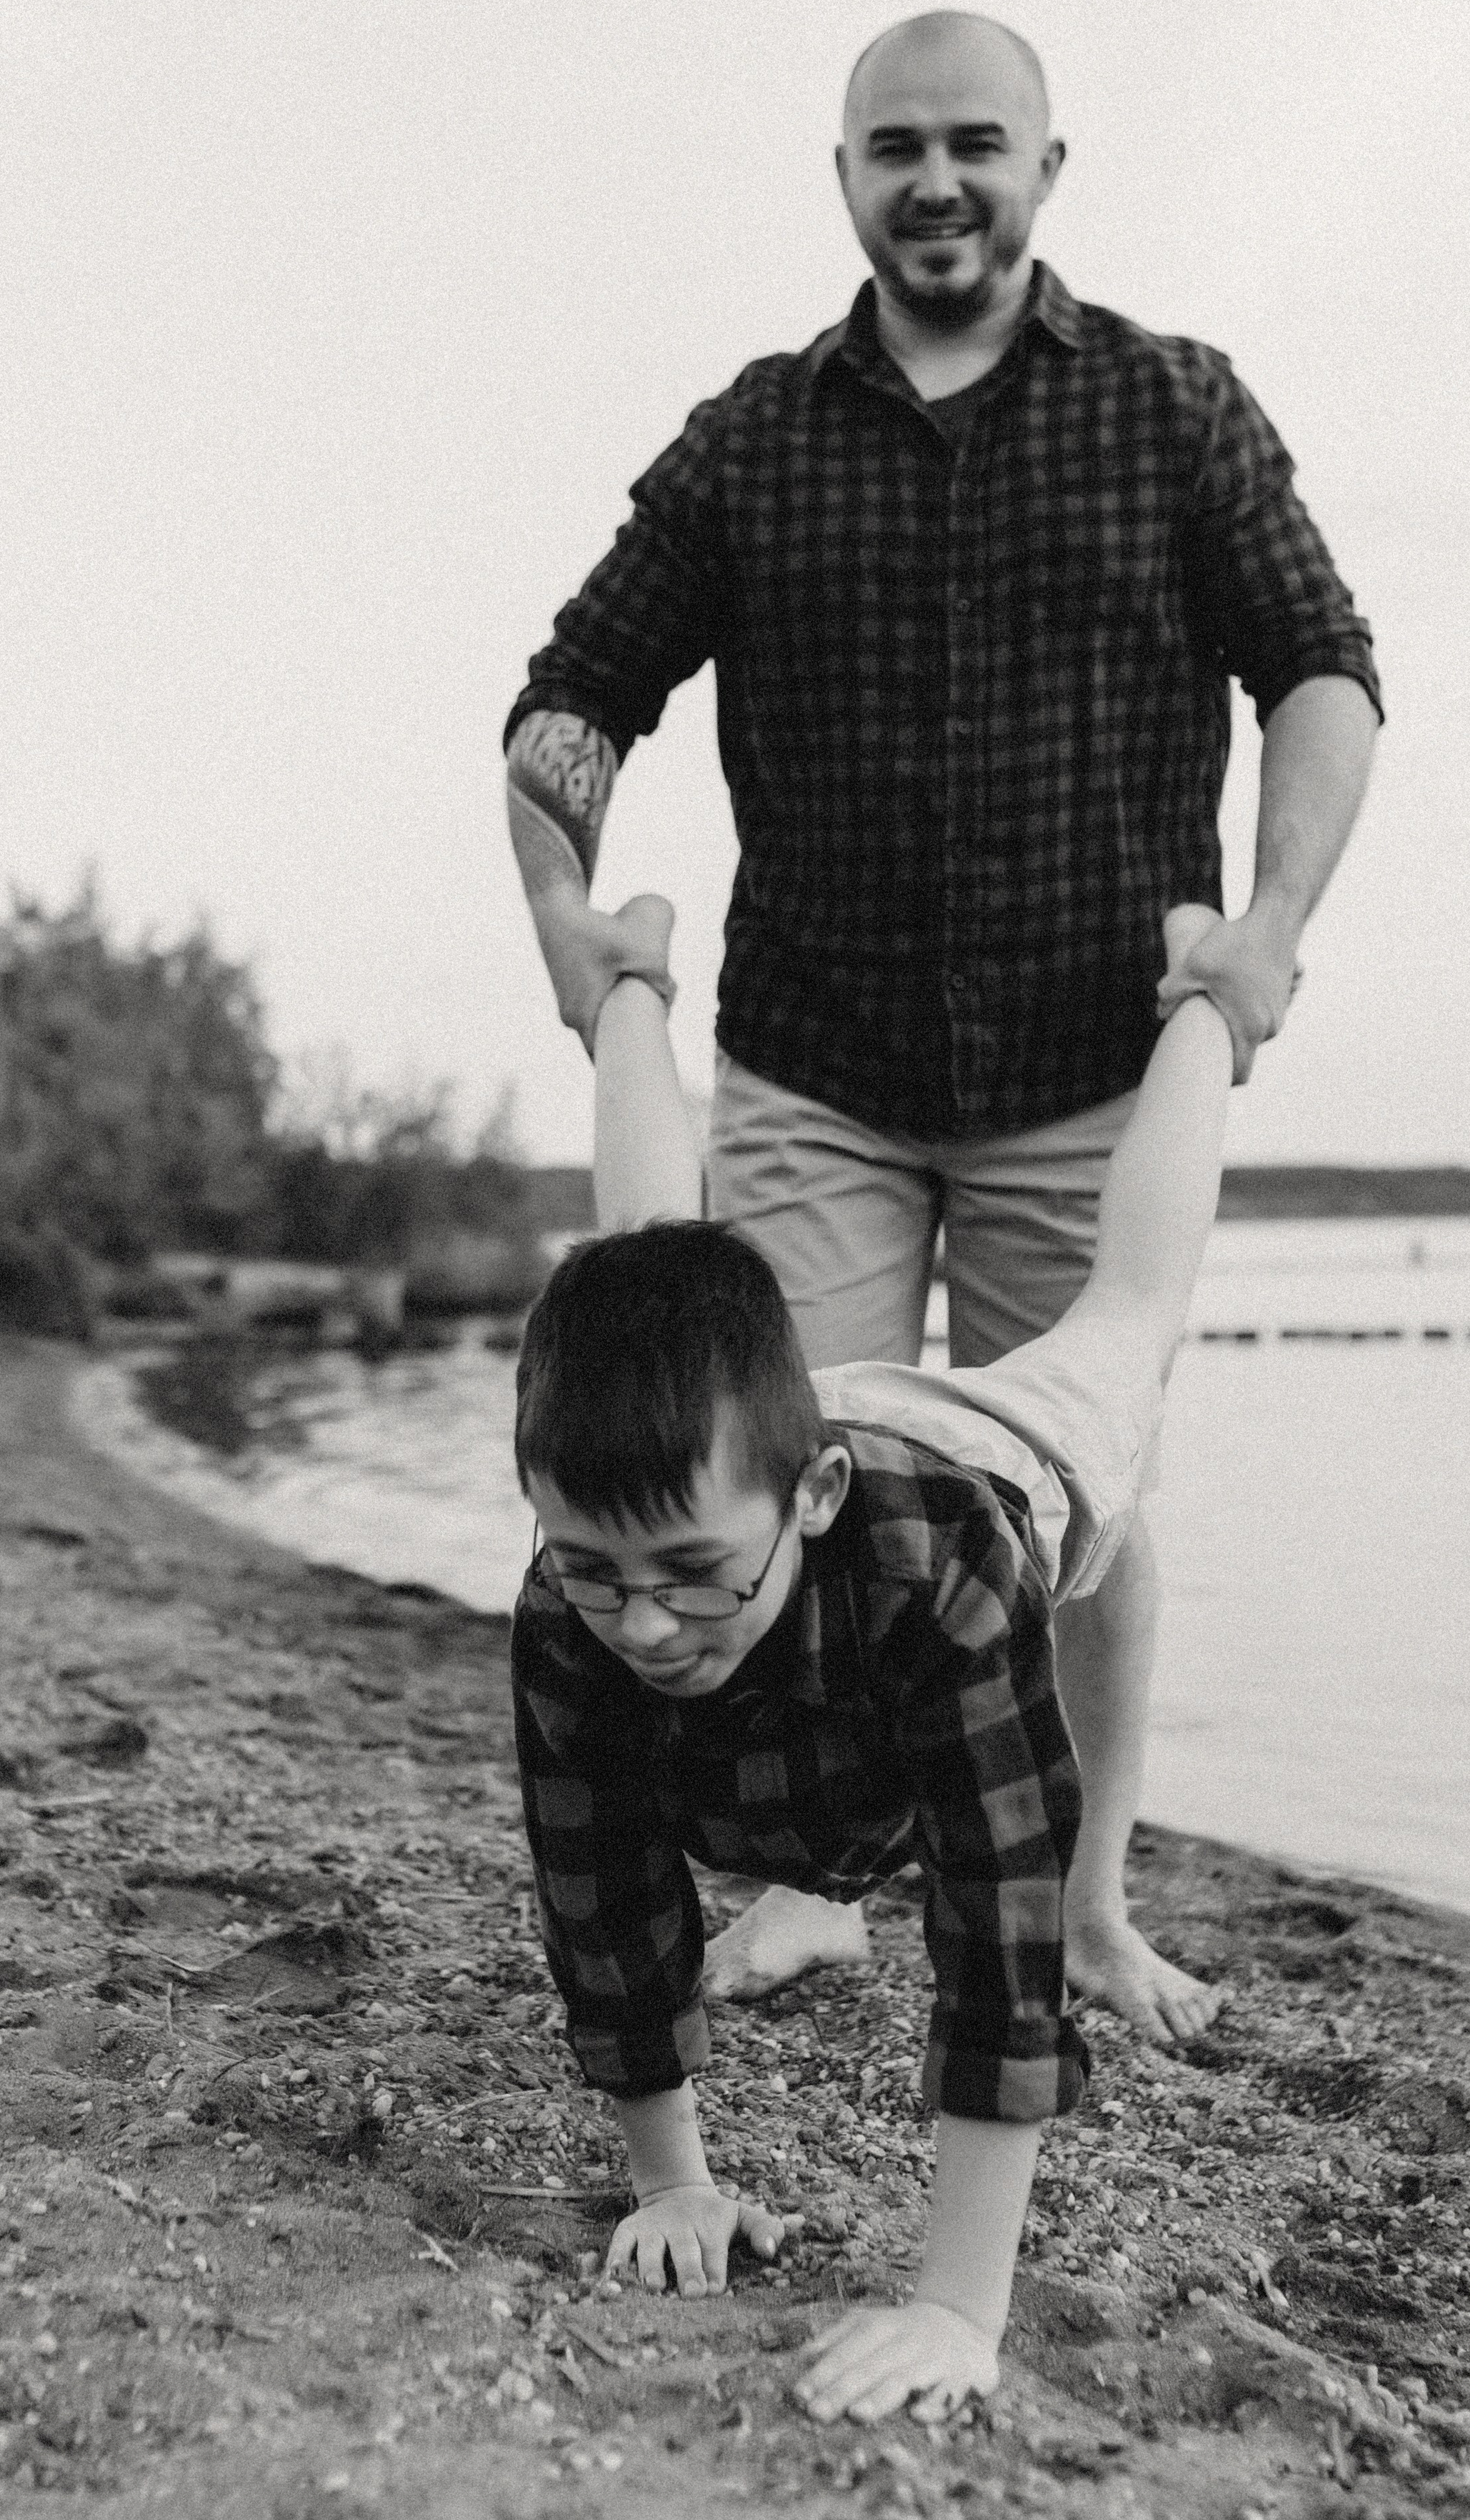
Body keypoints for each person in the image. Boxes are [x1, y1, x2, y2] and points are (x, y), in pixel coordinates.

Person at [504, 9, 1382, 2044]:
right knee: (784, 1487)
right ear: (844, 179)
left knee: (1085, 1505)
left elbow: (1320, 671)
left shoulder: (1175, 410)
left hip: (1090, 1055)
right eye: (894, 146)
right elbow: (574, 698)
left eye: (977, 141)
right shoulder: (751, 437)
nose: (937, 178)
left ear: (1048, 167)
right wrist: (565, 902)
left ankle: (1085, 1903)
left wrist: (1269, 924)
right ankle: (816, 1885)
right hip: (820, 1065)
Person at [511, 898, 1236, 2426]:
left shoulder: (938, 1580)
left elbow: (994, 1921)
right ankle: (625, 975)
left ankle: (1209, 1000)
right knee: (652, 1259)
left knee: (1133, 1303)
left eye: (688, 1590)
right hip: (738, 1456)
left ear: (812, 1503)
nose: (640, 1626)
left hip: (1009, 1449)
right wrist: (674, 2186)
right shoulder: (598, 1578)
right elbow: (604, 1890)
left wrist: (956, 2306)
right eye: (594, 1575)